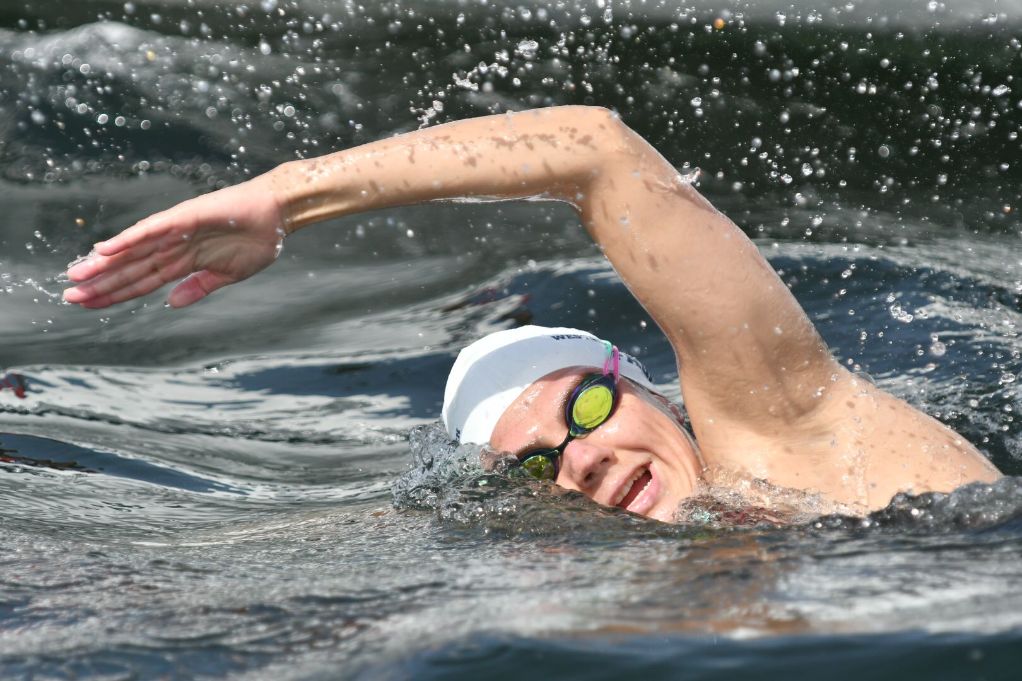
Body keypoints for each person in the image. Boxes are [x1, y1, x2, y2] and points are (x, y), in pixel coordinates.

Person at [62, 106, 1001, 521]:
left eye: (584, 410)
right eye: (540, 465)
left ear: (654, 394)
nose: (582, 457)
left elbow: (594, 150)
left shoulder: (791, 428)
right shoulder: (637, 596)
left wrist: (286, 196)